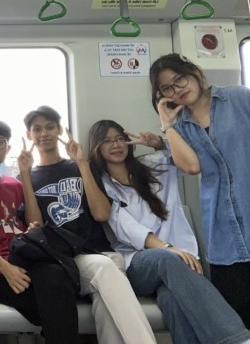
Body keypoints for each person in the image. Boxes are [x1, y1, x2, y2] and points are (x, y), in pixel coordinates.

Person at [88, 119, 250, 344]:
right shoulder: (101, 185)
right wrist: (169, 249)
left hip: (178, 262)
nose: (116, 145)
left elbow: (190, 158)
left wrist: (158, 142)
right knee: (166, 260)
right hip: (138, 265)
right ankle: (237, 339)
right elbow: (126, 229)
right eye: (107, 141)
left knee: (171, 299)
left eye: (119, 138)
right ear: (96, 147)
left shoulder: (153, 165)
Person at [23, 106, 155, 344]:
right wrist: (24, 175)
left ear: (60, 130)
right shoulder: (28, 177)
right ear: (29, 135)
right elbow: (37, 225)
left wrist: (82, 162)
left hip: (98, 253)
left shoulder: (82, 167)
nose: (44, 133)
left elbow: (102, 213)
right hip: (67, 259)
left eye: (50, 127)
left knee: (106, 302)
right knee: (105, 267)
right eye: (37, 129)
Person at [150, 53, 250, 333]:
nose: (178, 89)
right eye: (167, 88)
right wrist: (167, 126)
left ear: (194, 72)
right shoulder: (180, 126)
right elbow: (191, 166)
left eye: (179, 78)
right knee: (239, 321)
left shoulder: (240, 98)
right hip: (224, 234)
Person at [0, 119, 79, 343]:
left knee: (58, 279)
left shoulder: (14, 185)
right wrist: (7, 270)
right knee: (52, 305)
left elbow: (34, 222)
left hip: (25, 257)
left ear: (7, 149)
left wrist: (25, 175)